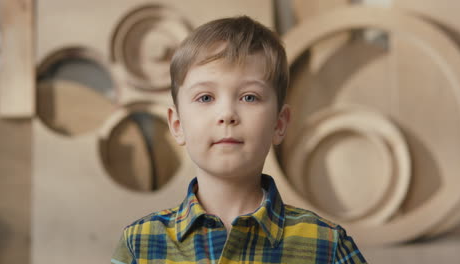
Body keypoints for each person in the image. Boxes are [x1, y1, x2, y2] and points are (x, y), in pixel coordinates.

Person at [111, 15, 367, 264]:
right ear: (177, 125)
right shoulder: (140, 245)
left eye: (249, 97)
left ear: (279, 124)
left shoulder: (328, 246)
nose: (227, 115)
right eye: (205, 98)